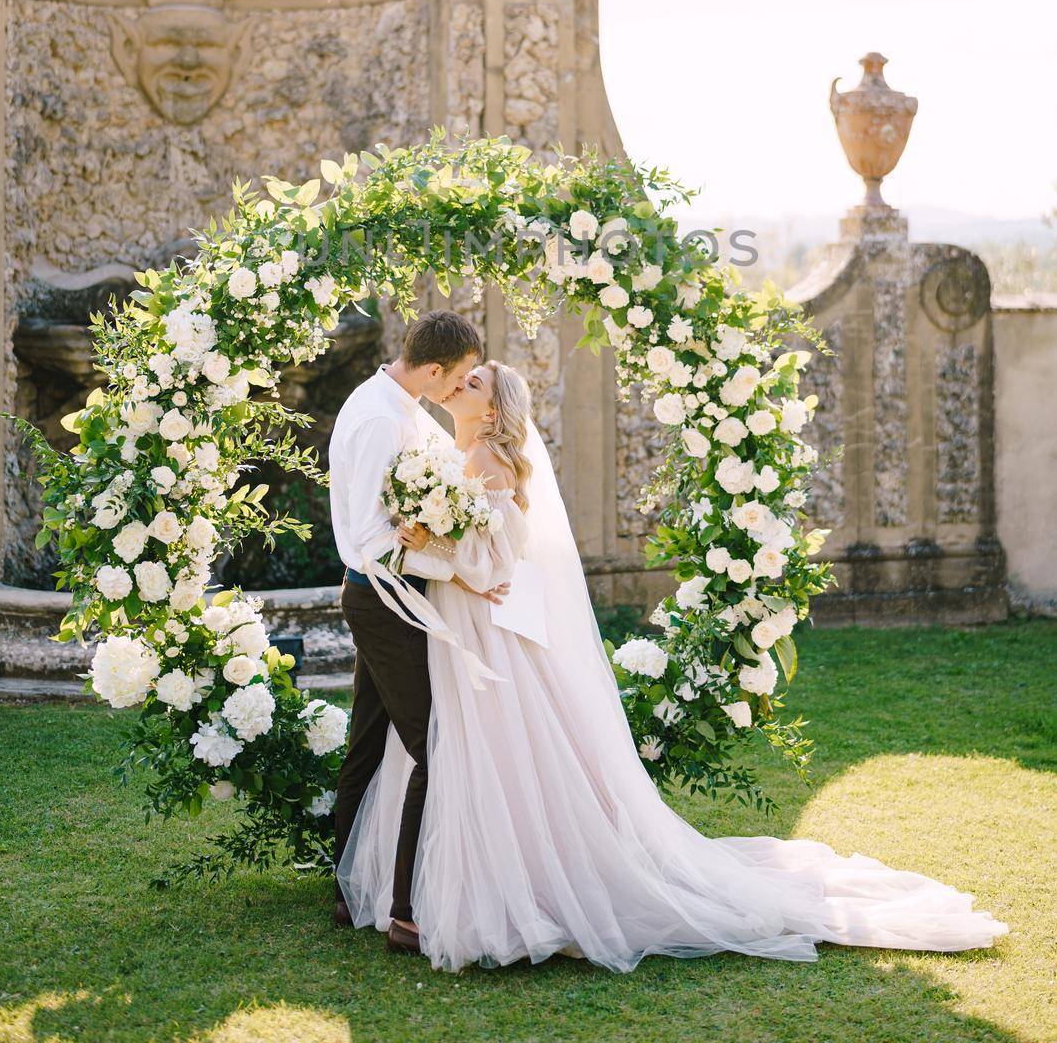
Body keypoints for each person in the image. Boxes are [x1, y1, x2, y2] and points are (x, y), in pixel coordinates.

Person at [337, 360, 1010, 973]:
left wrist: (420, 547)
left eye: (476, 383)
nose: (461, 385)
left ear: (492, 410)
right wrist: (423, 538)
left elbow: (486, 566)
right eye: (462, 377)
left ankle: (499, 887)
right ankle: (442, 886)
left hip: (480, 629)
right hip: (460, 627)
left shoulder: (483, 459)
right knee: (457, 745)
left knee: (480, 747)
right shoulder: (453, 453)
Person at [329, 308, 504, 954]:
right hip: (384, 595)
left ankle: (350, 893)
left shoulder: (399, 406)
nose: (455, 389)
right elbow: (372, 534)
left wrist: (443, 548)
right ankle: (405, 911)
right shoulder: (381, 417)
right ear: (433, 368)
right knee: (434, 747)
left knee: (368, 744)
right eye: (454, 378)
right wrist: (442, 552)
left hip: (388, 592)